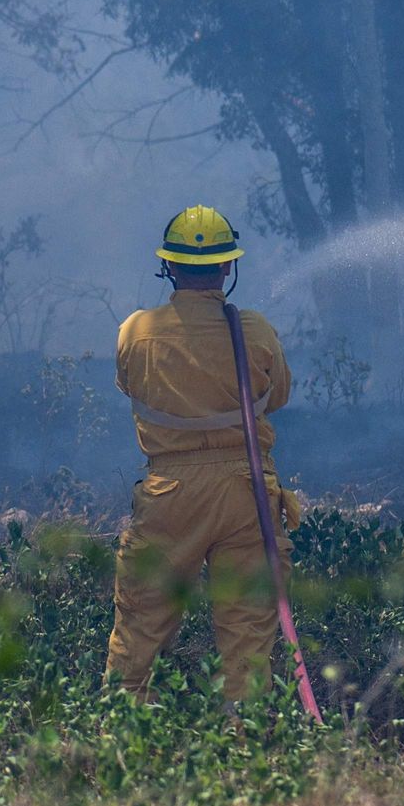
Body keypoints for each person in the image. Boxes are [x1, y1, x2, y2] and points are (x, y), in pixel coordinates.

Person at [106, 205, 303, 702]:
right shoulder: (254, 331)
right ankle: (245, 746)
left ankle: (118, 737)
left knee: (142, 621)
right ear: (227, 267)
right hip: (246, 491)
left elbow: (128, 383)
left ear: (169, 266)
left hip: (170, 494)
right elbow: (277, 396)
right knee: (247, 632)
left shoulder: (136, 331)